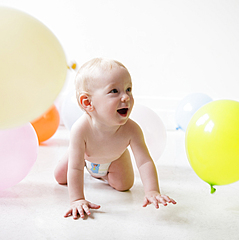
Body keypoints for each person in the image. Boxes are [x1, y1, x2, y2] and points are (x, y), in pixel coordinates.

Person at [54, 58, 176, 219]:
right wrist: (77, 199)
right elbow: (75, 168)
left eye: (128, 89)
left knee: (124, 185)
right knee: (60, 177)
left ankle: (102, 174)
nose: (126, 97)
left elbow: (144, 161)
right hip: (84, 156)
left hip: (114, 158)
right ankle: (86, 163)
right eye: (114, 91)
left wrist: (152, 190)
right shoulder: (80, 130)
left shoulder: (131, 129)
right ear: (88, 102)